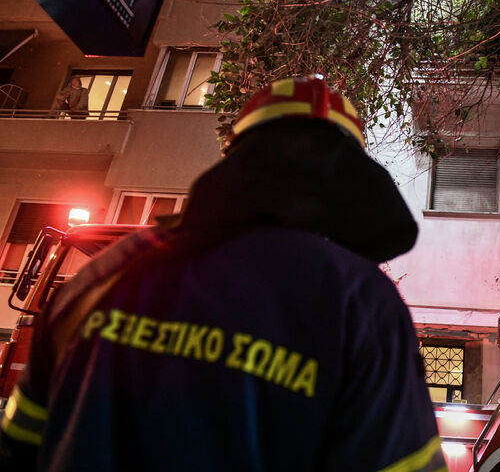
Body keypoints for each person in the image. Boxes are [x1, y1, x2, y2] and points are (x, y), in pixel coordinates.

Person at [0, 76, 447, 472]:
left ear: (234, 157)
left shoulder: (103, 275)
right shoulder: (363, 304)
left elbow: (20, 445)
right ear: (348, 176)